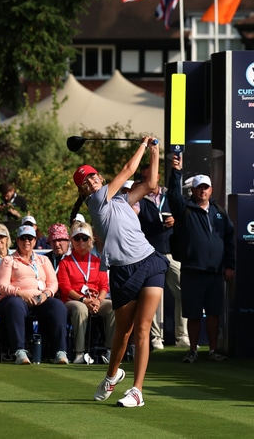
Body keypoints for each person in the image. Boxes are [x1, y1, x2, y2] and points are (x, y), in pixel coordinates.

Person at [74, 136, 168, 407]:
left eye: (92, 177)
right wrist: (142, 144)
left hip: (149, 262)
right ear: (84, 192)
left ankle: (137, 391)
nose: (91, 182)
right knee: (122, 333)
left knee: (142, 328)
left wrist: (154, 151)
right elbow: (128, 169)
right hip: (121, 271)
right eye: (85, 183)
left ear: (100, 177)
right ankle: (112, 375)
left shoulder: (123, 201)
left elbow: (150, 183)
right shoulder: (96, 203)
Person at [166, 154, 235, 365]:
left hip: (215, 272)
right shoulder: (185, 209)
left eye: (206, 187)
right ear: (193, 190)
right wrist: (176, 171)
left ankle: (213, 350)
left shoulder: (220, 213)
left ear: (211, 190)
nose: (203, 190)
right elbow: (173, 196)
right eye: (199, 187)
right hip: (192, 270)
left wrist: (230, 266)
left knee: (214, 314)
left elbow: (230, 240)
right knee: (194, 314)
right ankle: (193, 350)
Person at [0, 225, 68, 365]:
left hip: (40, 298)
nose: (26, 241)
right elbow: (2, 285)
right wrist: (20, 293)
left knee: (58, 306)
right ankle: (20, 351)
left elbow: (53, 282)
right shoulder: (8, 260)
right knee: (15, 305)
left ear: (35, 241)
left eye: (30, 238)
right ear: (17, 240)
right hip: (15, 298)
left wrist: (46, 294)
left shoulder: (43, 260)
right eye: (23, 238)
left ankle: (60, 351)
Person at [137, 178, 187, 350]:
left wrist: (176, 220)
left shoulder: (169, 196)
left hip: (172, 253)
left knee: (183, 292)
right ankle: (156, 337)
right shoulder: (140, 199)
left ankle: (182, 335)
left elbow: (183, 215)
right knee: (154, 297)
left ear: (156, 178)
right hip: (151, 252)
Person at [57, 222, 115, 365]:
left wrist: (98, 301)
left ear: (91, 240)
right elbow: (65, 287)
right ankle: (79, 352)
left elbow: (104, 285)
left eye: (85, 238)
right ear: (72, 241)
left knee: (113, 306)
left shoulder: (97, 261)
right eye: (77, 238)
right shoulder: (65, 262)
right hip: (74, 300)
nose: (81, 241)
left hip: (95, 300)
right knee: (81, 308)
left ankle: (111, 350)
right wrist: (84, 300)